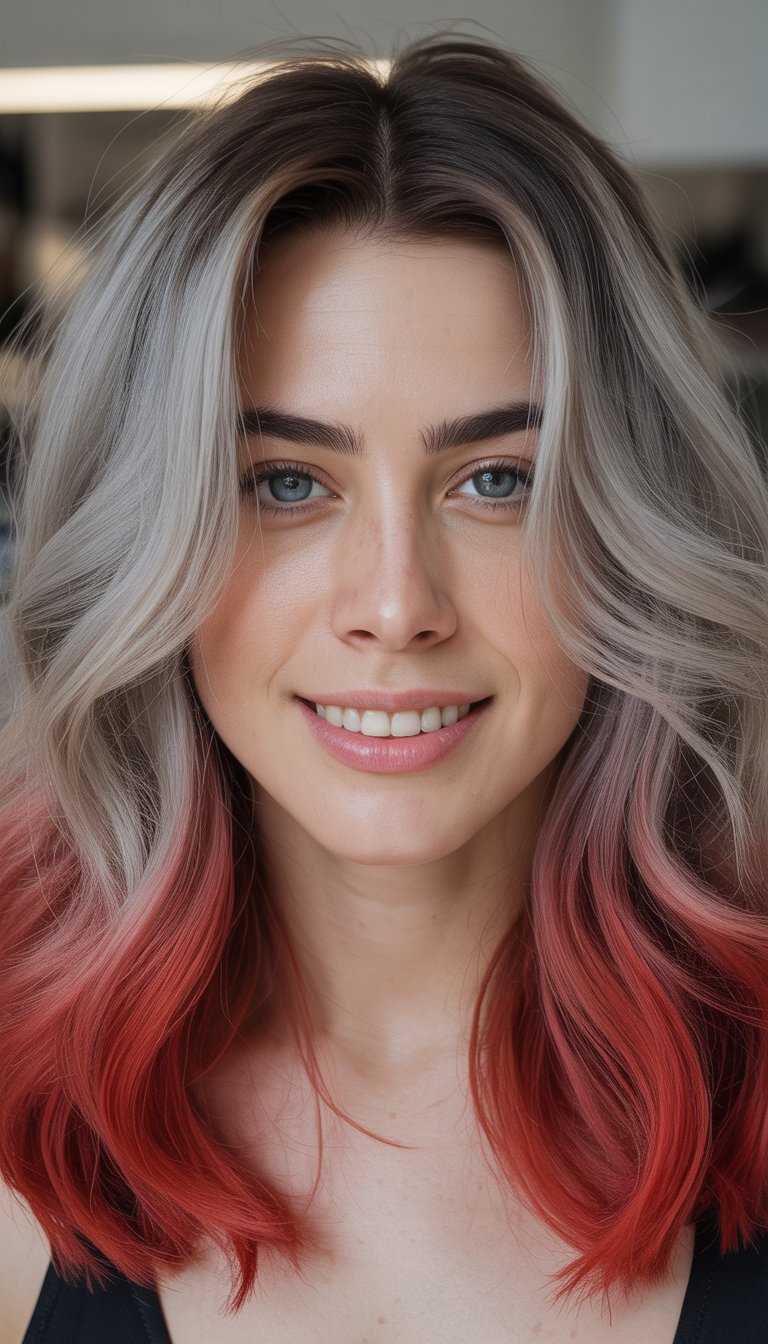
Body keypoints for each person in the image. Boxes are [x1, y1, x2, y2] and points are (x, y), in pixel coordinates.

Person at [1, 28, 768, 1344]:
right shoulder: (19, 1140)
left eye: (497, 481)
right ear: (154, 539)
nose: (396, 606)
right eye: (286, 483)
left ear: (627, 532)